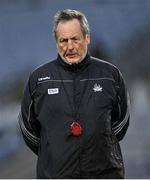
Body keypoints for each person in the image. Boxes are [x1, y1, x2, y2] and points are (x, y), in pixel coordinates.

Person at [18, 9, 130, 179]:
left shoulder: (110, 75)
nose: (70, 47)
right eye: (63, 40)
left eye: (75, 39)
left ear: (87, 38)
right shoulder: (39, 80)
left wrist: (101, 144)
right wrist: (54, 152)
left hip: (104, 174)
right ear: (56, 43)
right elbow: (28, 130)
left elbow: (121, 122)